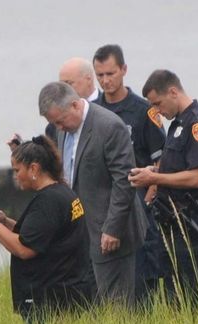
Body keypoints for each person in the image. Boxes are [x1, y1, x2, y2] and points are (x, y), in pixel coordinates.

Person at [39, 81, 147, 307]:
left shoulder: (109, 126)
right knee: (92, 304)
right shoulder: (63, 131)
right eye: (53, 123)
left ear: (75, 105)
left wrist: (112, 229)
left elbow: (124, 181)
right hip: (82, 231)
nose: (58, 127)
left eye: (60, 121)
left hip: (111, 232)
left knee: (116, 306)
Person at [0, 135, 95, 324]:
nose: (15, 176)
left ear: (34, 168)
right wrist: (5, 222)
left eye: (17, 171)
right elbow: (41, 235)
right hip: (70, 294)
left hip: (52, 303)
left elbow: (26, 249)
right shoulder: (62, 192)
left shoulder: (48, 202)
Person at [128, 69, 198, 305]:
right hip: (173, 222)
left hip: (194, 221)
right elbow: (177, 169)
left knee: (197, 297)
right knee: (174, 297)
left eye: (158, 103)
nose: (157, 111)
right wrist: (152, 172)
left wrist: (154, 180)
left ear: (173, 92)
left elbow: (197, 177)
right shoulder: (177, 124)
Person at [92, 44, 167, 304]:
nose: (105, 81)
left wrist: (146, 202)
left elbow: (162, 162)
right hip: (102, 209)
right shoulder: (92, 111)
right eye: (99, 75)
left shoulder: (144, 111)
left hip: (138, 207)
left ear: (123, 70)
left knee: (140, 286)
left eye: (110, 73)